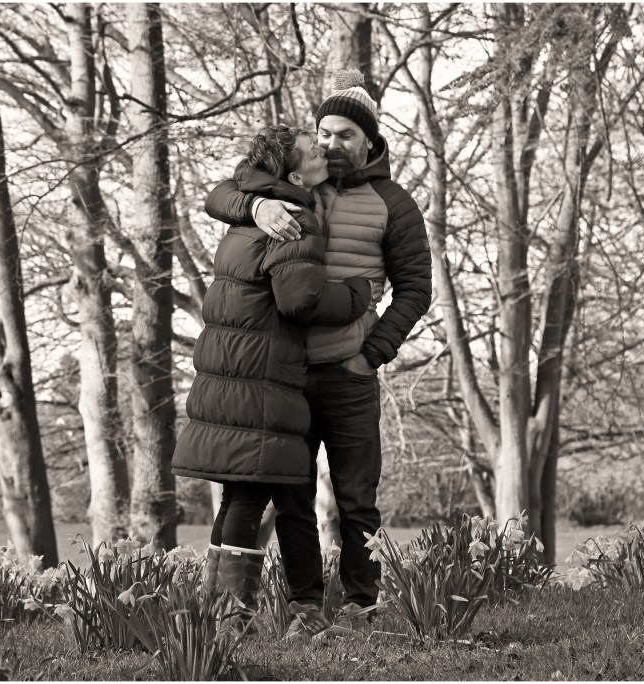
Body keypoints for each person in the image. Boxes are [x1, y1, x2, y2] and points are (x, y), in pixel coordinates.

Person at [204, 70, 432, 640]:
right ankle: (306, 608)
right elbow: (221, 193)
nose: (331, 144)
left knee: (357, 500)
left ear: (370, 141)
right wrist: (257, 208)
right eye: (324, 133)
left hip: (349, 375)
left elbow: (415, 290)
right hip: (284, 376)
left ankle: (360, 607)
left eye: (345, 135)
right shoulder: (296, 185)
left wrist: (371, 354)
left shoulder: (394, 204)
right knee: (293, 499)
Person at [171, 124, 373, 625]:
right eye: (312, 150)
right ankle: (231, 620)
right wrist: (357, 294)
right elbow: (299, 298)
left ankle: (214, 616)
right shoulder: (293, 218)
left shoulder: (252, 210)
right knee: (250, 494)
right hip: (261, 377)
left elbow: (226, 192)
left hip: (226, 372)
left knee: (238, 494)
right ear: (294, 175)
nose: (322, 151)